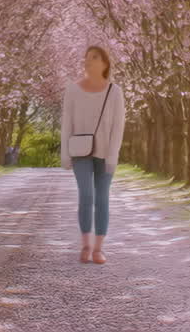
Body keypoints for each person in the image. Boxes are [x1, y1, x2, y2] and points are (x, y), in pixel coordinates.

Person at [60, 45, 125, 265]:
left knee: (102, 198)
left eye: (94, 58)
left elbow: (118, 127)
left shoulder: (114, 91)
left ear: (105, 63)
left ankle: (99, 248)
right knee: (86, 195)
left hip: (106, 152)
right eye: (86, 58)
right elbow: (66, 123)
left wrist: (113, 157)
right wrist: (65, 155)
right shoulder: (73, 89)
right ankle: (85, 244)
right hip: (80, 151)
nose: (88, 61)